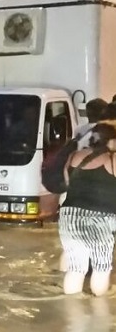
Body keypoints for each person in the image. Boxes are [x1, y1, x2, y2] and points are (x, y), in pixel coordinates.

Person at [58, 122, 116, 296]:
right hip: (101, 219)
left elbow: (68, 184)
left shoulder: (74, 156)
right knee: (101, 267)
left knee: (76, 268)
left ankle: (73, 315)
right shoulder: (112, 159)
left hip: (70, 217)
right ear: (112, 141)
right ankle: (100, 313)